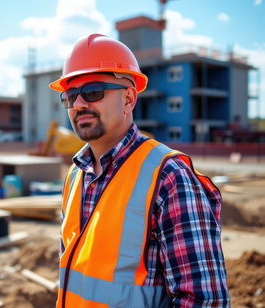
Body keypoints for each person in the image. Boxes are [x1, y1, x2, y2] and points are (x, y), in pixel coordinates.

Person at [49, 33, 230, 307]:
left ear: (129, 99)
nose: (79, 104)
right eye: (70, 96)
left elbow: (204, 301)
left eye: (93, 92)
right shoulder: (76, 175)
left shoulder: (169, 176)